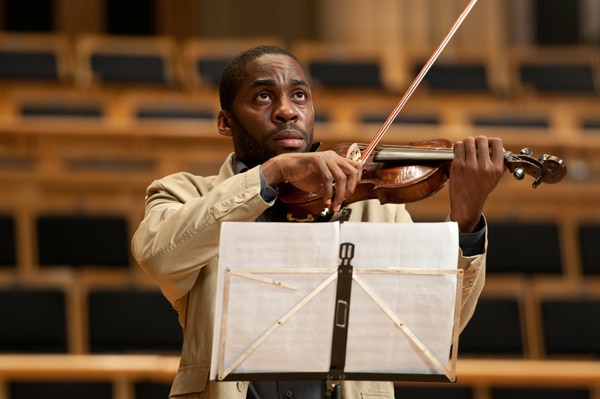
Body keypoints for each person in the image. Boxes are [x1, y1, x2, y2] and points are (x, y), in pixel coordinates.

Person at [131, 45, 505, 399]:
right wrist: (273, 172)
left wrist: (466, 220)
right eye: (263, 96)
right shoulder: (185, 194)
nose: (287, 111)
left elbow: (439, 326)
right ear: (225, 122)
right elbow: (159, 255)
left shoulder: (375, 207)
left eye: (299, 96)